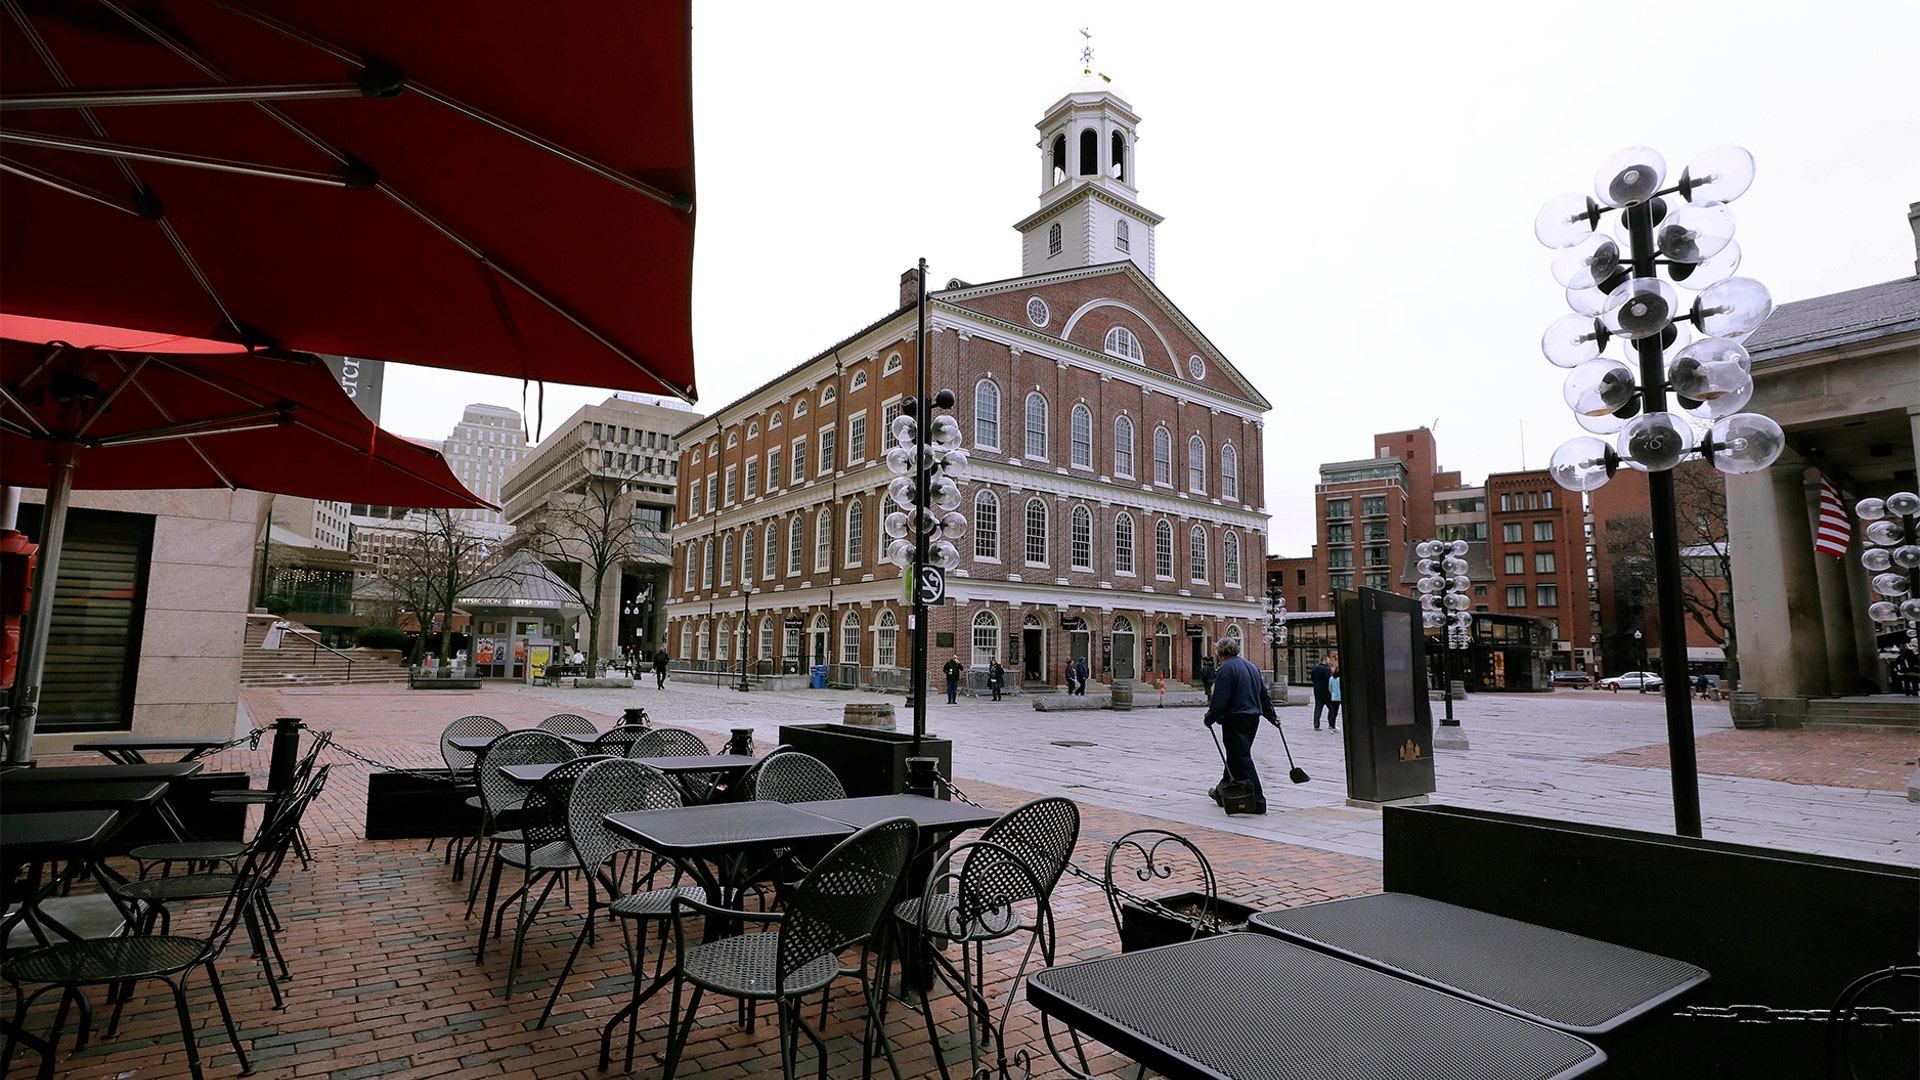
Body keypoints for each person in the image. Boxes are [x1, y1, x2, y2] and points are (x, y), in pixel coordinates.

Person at [1202, 636, 1276, 815]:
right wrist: (1272, 716)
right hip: (1253, 718)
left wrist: (1210, 717)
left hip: (1235, 718)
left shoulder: (1226, 669)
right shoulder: (1252, 667)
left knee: (1241, 757)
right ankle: (1222, 791)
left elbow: (1220, 698)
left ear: (1219, 653)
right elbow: (1263, 695)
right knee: (1236, 755)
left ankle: (1257, 800)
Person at [1311, 653, 1334, 730]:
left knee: (1318, 708)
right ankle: (1331, 724)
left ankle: (1316, 725)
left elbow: (1312, 679)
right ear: (1324, 660)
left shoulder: (1315, 668)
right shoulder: (1326, 669)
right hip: (1326, 691)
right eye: (1328, 660)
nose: (1329, 661)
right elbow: (1329, 680)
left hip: (1317, 690)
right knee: (1332, 707)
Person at [1326, 656, 1342, 731]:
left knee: (1332, 711)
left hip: (1333, 696)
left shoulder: (1331, 678)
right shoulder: (1340, 679)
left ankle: (1331, 724)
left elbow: (1330, 688)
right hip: (1339, 697)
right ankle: (1333, 725)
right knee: (1335, 711)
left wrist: (1332, 693)